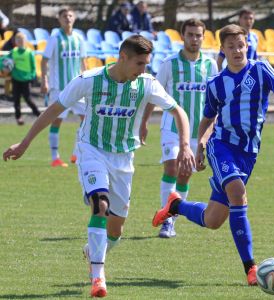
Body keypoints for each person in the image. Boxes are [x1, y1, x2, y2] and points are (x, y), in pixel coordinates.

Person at [3, 35, 195, 298]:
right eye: (140, 63)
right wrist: (24, 143)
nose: (144, 70)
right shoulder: (89, 80)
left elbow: (178, 112)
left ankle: (91, 251)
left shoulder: (146, 84)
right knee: (100, 205)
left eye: (146, 64)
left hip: (124, 159)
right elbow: (53, 109)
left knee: (116, 232)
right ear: (123, 57)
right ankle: (98, 277)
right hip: (91, 150)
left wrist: (185, 145)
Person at [152, 24, 274, 285]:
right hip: (221, 145)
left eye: (241, 45)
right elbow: (208, 119)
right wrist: (200, 147)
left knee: (213, 220)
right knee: (237, 192)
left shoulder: (261, 69)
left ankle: (175, 205)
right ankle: (251, 269)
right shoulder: (216, 84)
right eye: (230, 47)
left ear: (247, 46)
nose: (237, 51)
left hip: (249, 152)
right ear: (222, 49)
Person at [144, 18, 218, 238]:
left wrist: (213, 129)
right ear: (183, 36)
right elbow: (153, 95)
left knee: (185, 174)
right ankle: (167, 221)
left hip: (198, 131)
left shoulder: (210, 65)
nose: (194, 39)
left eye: (198, 35)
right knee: (171, 169)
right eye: (190, 34)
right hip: (171, 128)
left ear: (203, 37)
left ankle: (172, 217)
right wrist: (144, 122)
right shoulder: (169, 64)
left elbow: (215, 99)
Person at [41, 7, 87, 167]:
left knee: (87, 119)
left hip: (77, 87)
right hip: (59, 88)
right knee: (56, 121)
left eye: (70, 15)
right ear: (59, 19)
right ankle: (55, 158)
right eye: (64, 16)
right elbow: (44, 61)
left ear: (74, 18)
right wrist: (44, 81)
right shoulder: (55, 39)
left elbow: (83, 61)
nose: (67, 18)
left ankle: (76, 154)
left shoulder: (79, 38)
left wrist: (87, 80)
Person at [7, 32, 41, 125]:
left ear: (25, 41)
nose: (20, 42)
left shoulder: (29, 52)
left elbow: (33, 66)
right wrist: (4, 65)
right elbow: (5, 61)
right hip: (16, 79)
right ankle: (18, 118)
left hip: (26, 79)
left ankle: (38, 114)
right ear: (15, 42)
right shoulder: (13, 52)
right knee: (16, 99)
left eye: (22, 40)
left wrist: (33, 76)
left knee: (28, 99)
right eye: (18, 40)